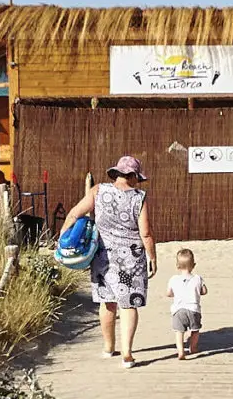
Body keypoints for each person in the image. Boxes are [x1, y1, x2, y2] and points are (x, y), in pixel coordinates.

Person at [61, 155, 157, 369]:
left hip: (102, 255)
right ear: (132, 176)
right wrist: (152, 256)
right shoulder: (138, 197)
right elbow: (146, 233)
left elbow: (74, 214)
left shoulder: (98, 191)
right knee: (129, 304)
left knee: (108, 301)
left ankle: (107, 347)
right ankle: (127, 354)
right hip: (132, 258)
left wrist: (63, 239)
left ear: (116, 173)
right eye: (136, 178)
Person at [166, 248, 207, 361]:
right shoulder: (198, 278)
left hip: (178, 310)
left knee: (179, 332)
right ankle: (193, 348)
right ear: (193, 265)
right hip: (193, 309)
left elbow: (168, 293)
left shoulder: (173, 279)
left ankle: (180, 352)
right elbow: (204, 291)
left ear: (177, 266)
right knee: (195, 330)